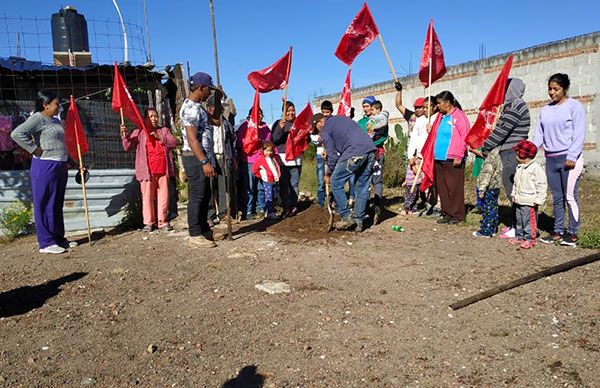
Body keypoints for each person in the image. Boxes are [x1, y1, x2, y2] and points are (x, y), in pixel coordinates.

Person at [10, 90, 77, 254]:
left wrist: (71, 161)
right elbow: (16, 134)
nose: (59, 106)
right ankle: (46, 242)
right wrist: (34, 149)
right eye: (55, 104)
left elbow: (60, 144)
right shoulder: (38, 118)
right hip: (45, 166)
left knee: (56, 204)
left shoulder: (55, 121)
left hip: (60, 166)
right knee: (44, 203)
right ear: (45, 105)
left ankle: (59, 238)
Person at [534, 73, 585, 246]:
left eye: (556, 89)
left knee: (570, 196)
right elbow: (539, 134)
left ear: (564, 89)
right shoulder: (545, 110)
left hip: (569, 159)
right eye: (550, 89)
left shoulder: (574, 106)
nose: (552, 92)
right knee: (557, 197)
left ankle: (572, 232)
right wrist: (531, 151)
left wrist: (572, 156)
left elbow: (579, 133)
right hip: (551, 159)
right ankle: (557, 231)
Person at [481, 78, 531, 239]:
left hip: (511, 152)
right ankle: (516, 224)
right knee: (513, 189)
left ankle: (520, 227)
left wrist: (486, 145)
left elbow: (502, 131)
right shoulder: (512, 106)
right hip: (509, 151)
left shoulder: (515, 106)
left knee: (513, 191)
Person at [312, 113, 375, 232]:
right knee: (361, 186)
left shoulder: (325, 130)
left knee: (336, 182)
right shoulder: (341, 119)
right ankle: (359, 221)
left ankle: (346, 216)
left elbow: (333, 156)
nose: (318, 132)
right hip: (370, 149)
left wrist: (328, 173)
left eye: (317, 129)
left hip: (355, 151)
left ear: (320, 122)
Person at [180, 71, 222, 248]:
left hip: (203, 156)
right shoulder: (190, 108)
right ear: (201, 88)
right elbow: (191, 138)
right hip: (195, 157)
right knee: (197, 196)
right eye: (208, 90)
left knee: (205, 195)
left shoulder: (199, 107)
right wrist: (204, 161)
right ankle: (194, 234)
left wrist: (218, 99)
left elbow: (216, 121)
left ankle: (204, 229)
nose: (209, 93)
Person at [121, 108, 177, 232]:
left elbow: (173, 143)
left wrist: (159, 137)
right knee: (147, 198)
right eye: (151, 116)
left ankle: (163, 222)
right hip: (147, 172)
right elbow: (127, 147)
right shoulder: (139, 132)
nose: (154, 119)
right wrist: (125, 135)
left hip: (163, 170)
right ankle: (149, 223)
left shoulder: (164, 131)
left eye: (155, 116)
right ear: (145, 119)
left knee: (164, 198)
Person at [431, 91, 470, 224]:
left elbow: (466, 136)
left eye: (439, 103)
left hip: (453, 158)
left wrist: (460, 155)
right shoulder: (440, 117)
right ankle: (446, 213)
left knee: (454, 187)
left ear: (447, 103)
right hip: (439, 158)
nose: (437, 106)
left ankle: (457, 215)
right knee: (442, 188)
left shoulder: (459, 116)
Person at [402, 96, 438, 215]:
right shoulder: (420, 120)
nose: (425, 110)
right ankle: (409, 206)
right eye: (424, 107)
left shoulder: (438, 118)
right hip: (419, 155)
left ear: (434, 107)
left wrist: (432, 130)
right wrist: (410, 156)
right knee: (411, 180)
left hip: (432, 155)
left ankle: (433, 205)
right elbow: (414, 139)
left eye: (427, 107)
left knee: (432, 181)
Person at [510, 140, 547, 249]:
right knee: (519, 219)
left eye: (517, 153)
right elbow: (516, 183)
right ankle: (520, 236)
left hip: (529, 201)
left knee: (528, 221)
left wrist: (539, 199)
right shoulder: (519, 167)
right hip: (519, 199)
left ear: (523, 155)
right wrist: (513, 194)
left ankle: (530, 239)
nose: (515, 156)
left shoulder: (536, 168)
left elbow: (541, 184)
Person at [237, 108, 272, 219]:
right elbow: (240, 141)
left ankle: (261, 208)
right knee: (250, 187)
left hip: (262, 161)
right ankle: (248, 210)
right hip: (249, 161)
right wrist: (251, 140)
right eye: (257, 114)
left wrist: (260, 141)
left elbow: (268, 143)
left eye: (260, 113)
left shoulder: (266, 128)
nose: (259, 116)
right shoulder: (245, 126)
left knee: (261, 186)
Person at [206, 94, 236, 225]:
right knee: (211, 186)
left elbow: (231, 140)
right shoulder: (206, 123)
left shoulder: (225, 124)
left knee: (223, 185)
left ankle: (223, 211)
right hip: (210, 158)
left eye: (217, 107)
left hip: (223, 157)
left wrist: (231, 158)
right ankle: (210, 214)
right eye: (212, 107)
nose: (214, 110)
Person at [272, 101, 301, 217]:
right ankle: (286, 207)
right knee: (284, 185)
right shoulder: (278, 123)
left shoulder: (299, 123)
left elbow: (305, 141)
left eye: (292, 110)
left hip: (296, 159)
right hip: (283, 160)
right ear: (283, 112)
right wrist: (280, 128)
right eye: (288, 111)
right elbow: (274, 139)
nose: (291, 113)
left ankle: (294, 206)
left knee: (294, 184)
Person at [364, 100, 389, 223]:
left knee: (377, 180)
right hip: (368, 153)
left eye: (372, 110)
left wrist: (373, 144)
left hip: (377, 153)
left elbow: (382, 134)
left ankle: (377, 205)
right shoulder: (371, 121)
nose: (371, 112)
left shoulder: (382, 119)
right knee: (366, 179)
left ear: (378, 109)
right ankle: (366, 204)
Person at [472, 148, 502, 238]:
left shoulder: (490, 159)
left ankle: (486, 231)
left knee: (487, 210)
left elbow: (487, 174)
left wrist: (482, 189)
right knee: (493, 209)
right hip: (495, 186)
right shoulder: (498, 155)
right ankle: (493, 229)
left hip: (488, 188)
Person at [310, 100, 333, 207]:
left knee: (331, 180)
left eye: (327, 112)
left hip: (331, 156)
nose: (325, 115)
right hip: (320, 157)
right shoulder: (314, 133)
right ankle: (320, 203)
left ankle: (331, 201)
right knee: (321, 181)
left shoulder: (331, 127)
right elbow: (318, 140)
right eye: (323, 112)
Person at [251, 141, 281, 220]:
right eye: (267, 151)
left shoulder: (273, 159)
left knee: (273, 195)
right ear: (263, 150)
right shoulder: (261, 159)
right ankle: (269, 212)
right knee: (268, 196)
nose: (269, 152)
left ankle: (269, 211)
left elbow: (276, 167)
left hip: (273, 180)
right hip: (267, 181)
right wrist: (261, 175)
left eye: (270, 151)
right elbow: (254, 169)